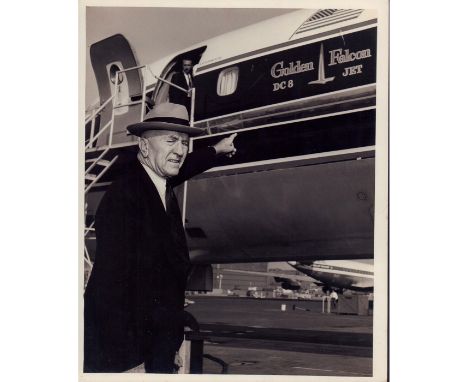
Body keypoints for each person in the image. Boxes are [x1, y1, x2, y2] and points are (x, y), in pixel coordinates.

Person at [84, 102, 237, 373]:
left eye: (185, 142)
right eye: (171, 141)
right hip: (127, 356)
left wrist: (216, 150)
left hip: (158, 348)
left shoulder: (158, 183)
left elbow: (182, 164)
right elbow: (112, 288)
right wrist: (129, 364)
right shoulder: (125, 197)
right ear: (144, 146)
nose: (180, 150)